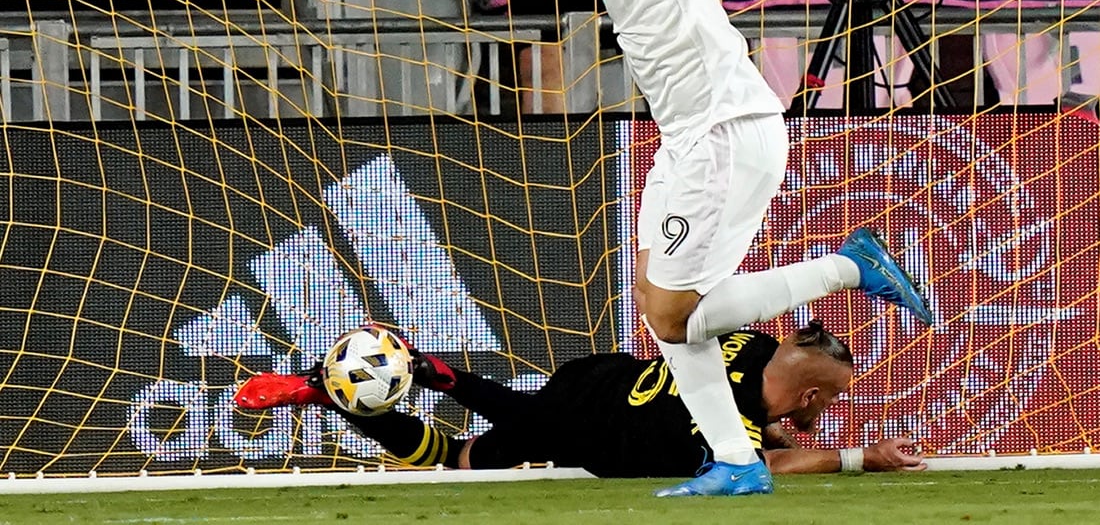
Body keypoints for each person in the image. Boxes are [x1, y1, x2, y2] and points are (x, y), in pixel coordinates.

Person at [518, 0, 934, 497]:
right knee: (662, 310)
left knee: (675, 314)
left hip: (724, 133)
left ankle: (847, 267)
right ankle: (737, 460)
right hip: (684, 139)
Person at [234, 321, 925, 478]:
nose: (817, 420)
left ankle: (346, 396)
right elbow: (759, 462)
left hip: (603, 376)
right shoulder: (741, 419)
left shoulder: (749, 339)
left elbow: (757, 419)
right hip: (592, 427)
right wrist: (861, 456)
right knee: (465, 455)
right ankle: (427, 376)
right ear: (808, 393)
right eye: (822, 406)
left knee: (484, 443)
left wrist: (779, 432)